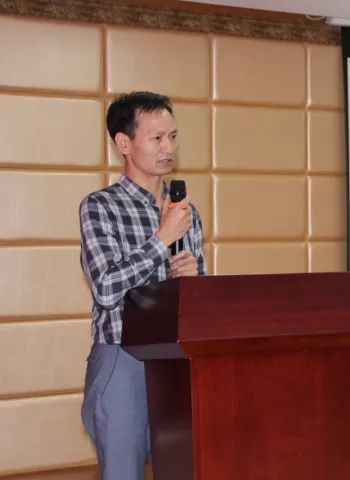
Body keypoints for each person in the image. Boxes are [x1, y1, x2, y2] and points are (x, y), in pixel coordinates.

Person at [78, 91, 207, 479]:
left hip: (177, 359)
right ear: (124, 143)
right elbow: (106, 288)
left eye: (173, 136)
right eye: (157, 138)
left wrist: (193, 282)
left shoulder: (185, 212)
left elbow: (201, 303)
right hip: (123, 357)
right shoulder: (100, 207)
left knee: (186, 468)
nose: (168, 148)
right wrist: (161, 240)